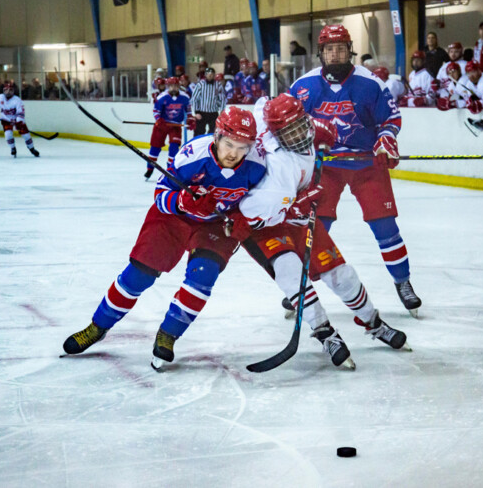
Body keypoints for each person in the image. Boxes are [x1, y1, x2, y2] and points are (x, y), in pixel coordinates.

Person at [63, 108, 266, 369]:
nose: (234, 154)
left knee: (203, 276)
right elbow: (160, 195)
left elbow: (263, 203)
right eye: (229, 144)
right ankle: (97, 327)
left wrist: (244, 217)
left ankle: (168, 335)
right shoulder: (192, 156)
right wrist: (182, 202)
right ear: (217, 136)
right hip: (173, 218)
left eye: (242, 147)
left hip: (216, 224)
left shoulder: (258, 166)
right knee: (139, 275)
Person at [226, 94, 410, 368]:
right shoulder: (282, 169)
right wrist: (295, 202)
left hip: (292, 212)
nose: (300, 135)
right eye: (290, 132)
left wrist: (318, 129)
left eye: (301, 125)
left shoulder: (272, 119)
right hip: (262, 222)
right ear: (278, 134)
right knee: (291, 273)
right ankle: (324, 331)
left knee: (341, 274)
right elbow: (253, 213)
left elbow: (264, 102)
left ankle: (373, 322)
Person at [289, 24, 422, 317]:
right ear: (321, 53)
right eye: (329, 50)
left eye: (340, 49)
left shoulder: (370, 83)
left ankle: (403, 282)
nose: (335, 55)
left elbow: (390, 119)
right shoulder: (303, 86)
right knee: (316, 227)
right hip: (325, 167)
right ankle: (300, 286)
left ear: (349, 50)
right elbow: (289, 125)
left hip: (367, 165)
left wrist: (386, 141)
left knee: (385, 227)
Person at [144, 76, 194, 179]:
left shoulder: (185, 97)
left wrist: (190, 120)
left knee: (174, 148)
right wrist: (159, 120)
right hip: (162, 125)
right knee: (155, 147)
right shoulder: (162, 97)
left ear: (178, 86)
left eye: (175, 86)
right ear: (168, 86)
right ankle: (150, 168)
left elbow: (188, 111)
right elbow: (156, 111)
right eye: (171, 86)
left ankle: (170, 170)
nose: (173, 88)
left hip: (175, 126)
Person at [0, 81, 40, 158]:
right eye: (6, 90)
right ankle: (13, 148)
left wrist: (19, 122)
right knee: (8, 135)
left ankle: (32, 149)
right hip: (6, 120)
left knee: (26, 135)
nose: (8, 92)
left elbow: (20, 113)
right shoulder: (0, 98)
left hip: (17, 121)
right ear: (3, 90)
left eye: (10, 90)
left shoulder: (17, 100)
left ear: (13, 91)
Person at [190, 67, 225, 136]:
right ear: (205, 75)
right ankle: (198, 143)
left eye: (212, 74)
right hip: (201, 112)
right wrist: (196, 112)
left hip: (213, 113)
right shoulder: (200, 85)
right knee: (199, 132)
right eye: (208, 74)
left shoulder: (218, 85)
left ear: (214, 75)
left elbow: (222, 99)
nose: (210, 75)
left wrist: (221, 110)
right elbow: (194, 98)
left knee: (213, 132)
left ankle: (211, 143)